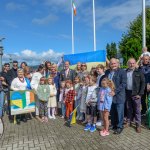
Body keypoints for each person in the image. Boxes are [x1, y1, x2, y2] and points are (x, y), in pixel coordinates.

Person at [105, 58, 127, 134]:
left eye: (115, 63)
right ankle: (114, 124)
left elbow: (123, 84)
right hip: (109, 96)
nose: (113, 65)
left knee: (120, 112)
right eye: (112, 63)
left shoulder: (122, 72)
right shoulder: (107, 72)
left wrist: (115, 92)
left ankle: (120, 126)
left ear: (117, 64)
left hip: (119, 95)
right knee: (113, 111)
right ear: (109, 64)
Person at [125, 58, 145, 133]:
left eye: (133, 63)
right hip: (127, 93)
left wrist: (140, 94)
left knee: (137, 109)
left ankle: (138, 124)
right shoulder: (125, 72)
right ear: (128, 64)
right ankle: (128, 121)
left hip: (136, 94)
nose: (132, 64)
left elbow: (143, 83)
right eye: (130, 63)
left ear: (135, 64)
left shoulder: (139, 71)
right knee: (129, 108)